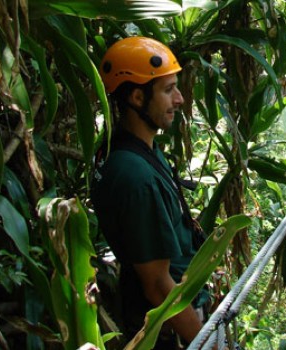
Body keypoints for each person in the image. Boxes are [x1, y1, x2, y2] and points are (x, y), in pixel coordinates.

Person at [91, 36, 209, 348]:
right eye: (169, 90)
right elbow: (157, 285)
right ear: (137, 98)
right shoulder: (135, 176)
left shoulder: (126, 149)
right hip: (170, 330)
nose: (180, 99)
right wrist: (207, 342)